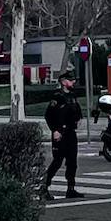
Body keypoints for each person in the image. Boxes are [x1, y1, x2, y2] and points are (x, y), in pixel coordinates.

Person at [41, 67, 83, 200]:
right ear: (63, 82)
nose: (73, 83)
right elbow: (48, 115)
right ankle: (44, 188)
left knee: (72, 162)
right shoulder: (57, 97)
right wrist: (55, 130)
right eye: (71, 80)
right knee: (57, 162)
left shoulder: (72, 96)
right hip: (60, 134)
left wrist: (79, 119)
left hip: (71, 133)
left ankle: (70, 189)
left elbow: (77, 111)